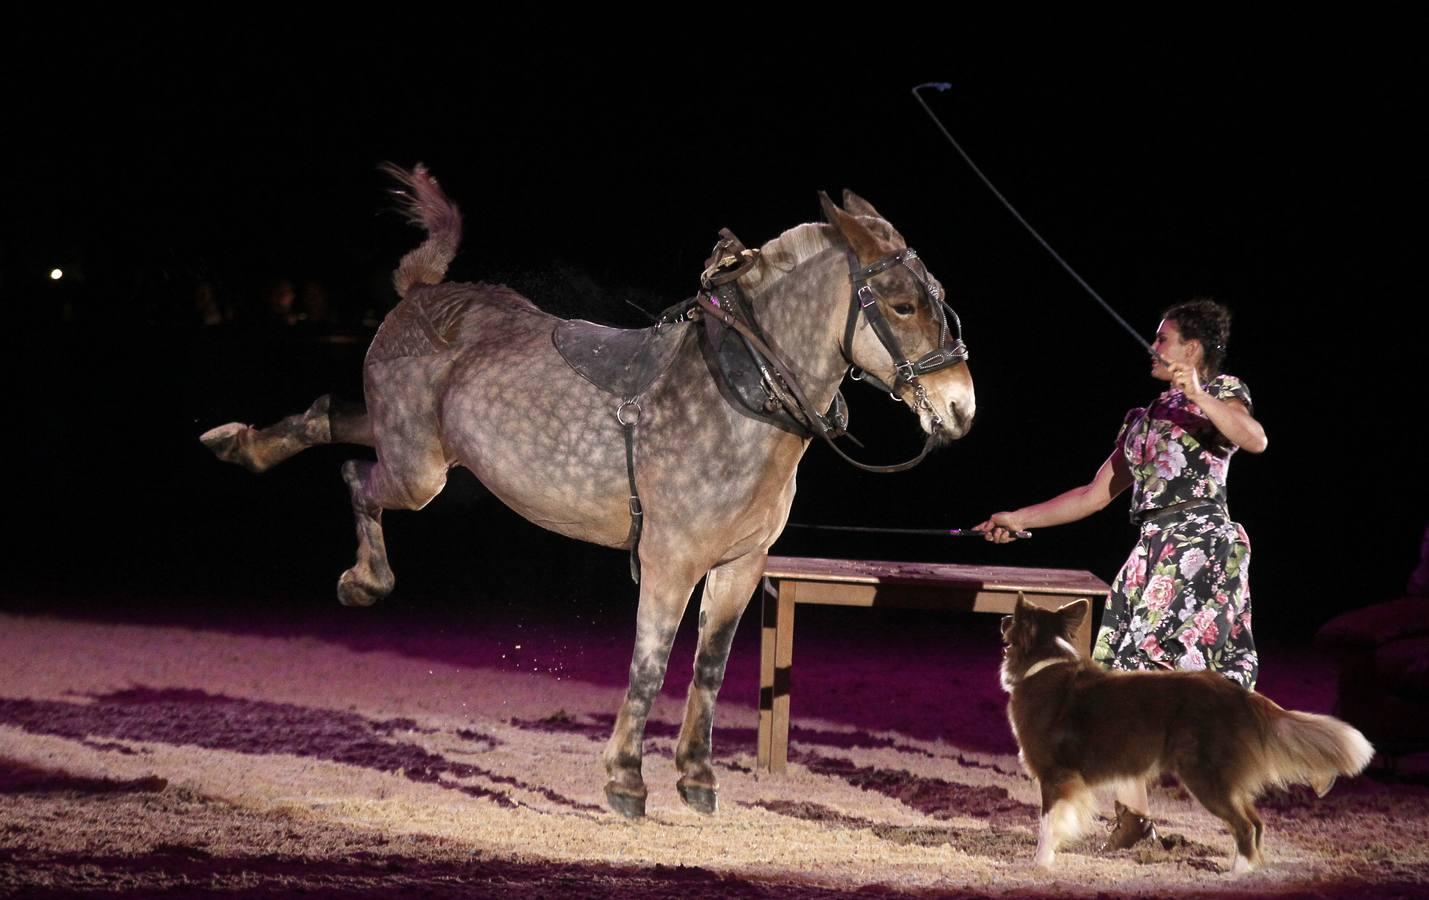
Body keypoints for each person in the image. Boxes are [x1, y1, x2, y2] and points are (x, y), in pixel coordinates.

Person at [976, 298, 1267, 850]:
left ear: (1193, 349)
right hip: (1151, 552)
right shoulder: (1144, 419)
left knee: (1203, 685)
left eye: (1163, 339)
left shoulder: (1223, 394)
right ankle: (1134, 820)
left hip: (1199, 547)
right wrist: (1019, 518)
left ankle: (1299, 748)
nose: (1152, 347)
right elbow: (1091, 495)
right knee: (1123, 687)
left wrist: (1199, 392)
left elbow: (1254, 440)